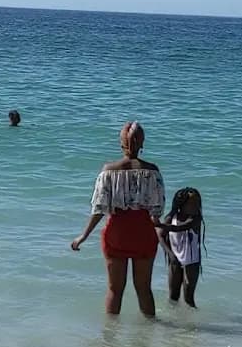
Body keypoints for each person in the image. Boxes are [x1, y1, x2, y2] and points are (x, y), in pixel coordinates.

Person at [71, 121, 165, 318]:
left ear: (121, 143)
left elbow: (98, 208)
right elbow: (157, 211)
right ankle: (148, 339)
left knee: (115, 290)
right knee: (144, 289)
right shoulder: (153, 171)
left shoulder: (108, 171)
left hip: (117, 234)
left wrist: (83, 236)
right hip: (143, 234)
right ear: (142, 143)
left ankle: (109, 340)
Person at [158, 188, 204, 308]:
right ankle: (174, 323)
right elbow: (160, 236)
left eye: (197, 203)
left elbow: (181, 228)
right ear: (181, 205)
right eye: (192, 204)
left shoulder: (196, 219)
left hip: (191, 262)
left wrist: (159, 225)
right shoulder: (171, 218)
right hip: (174, 260)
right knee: (173, 296)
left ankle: (192, 325)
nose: (196, 207)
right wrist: (170, 254)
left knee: (188, 299)